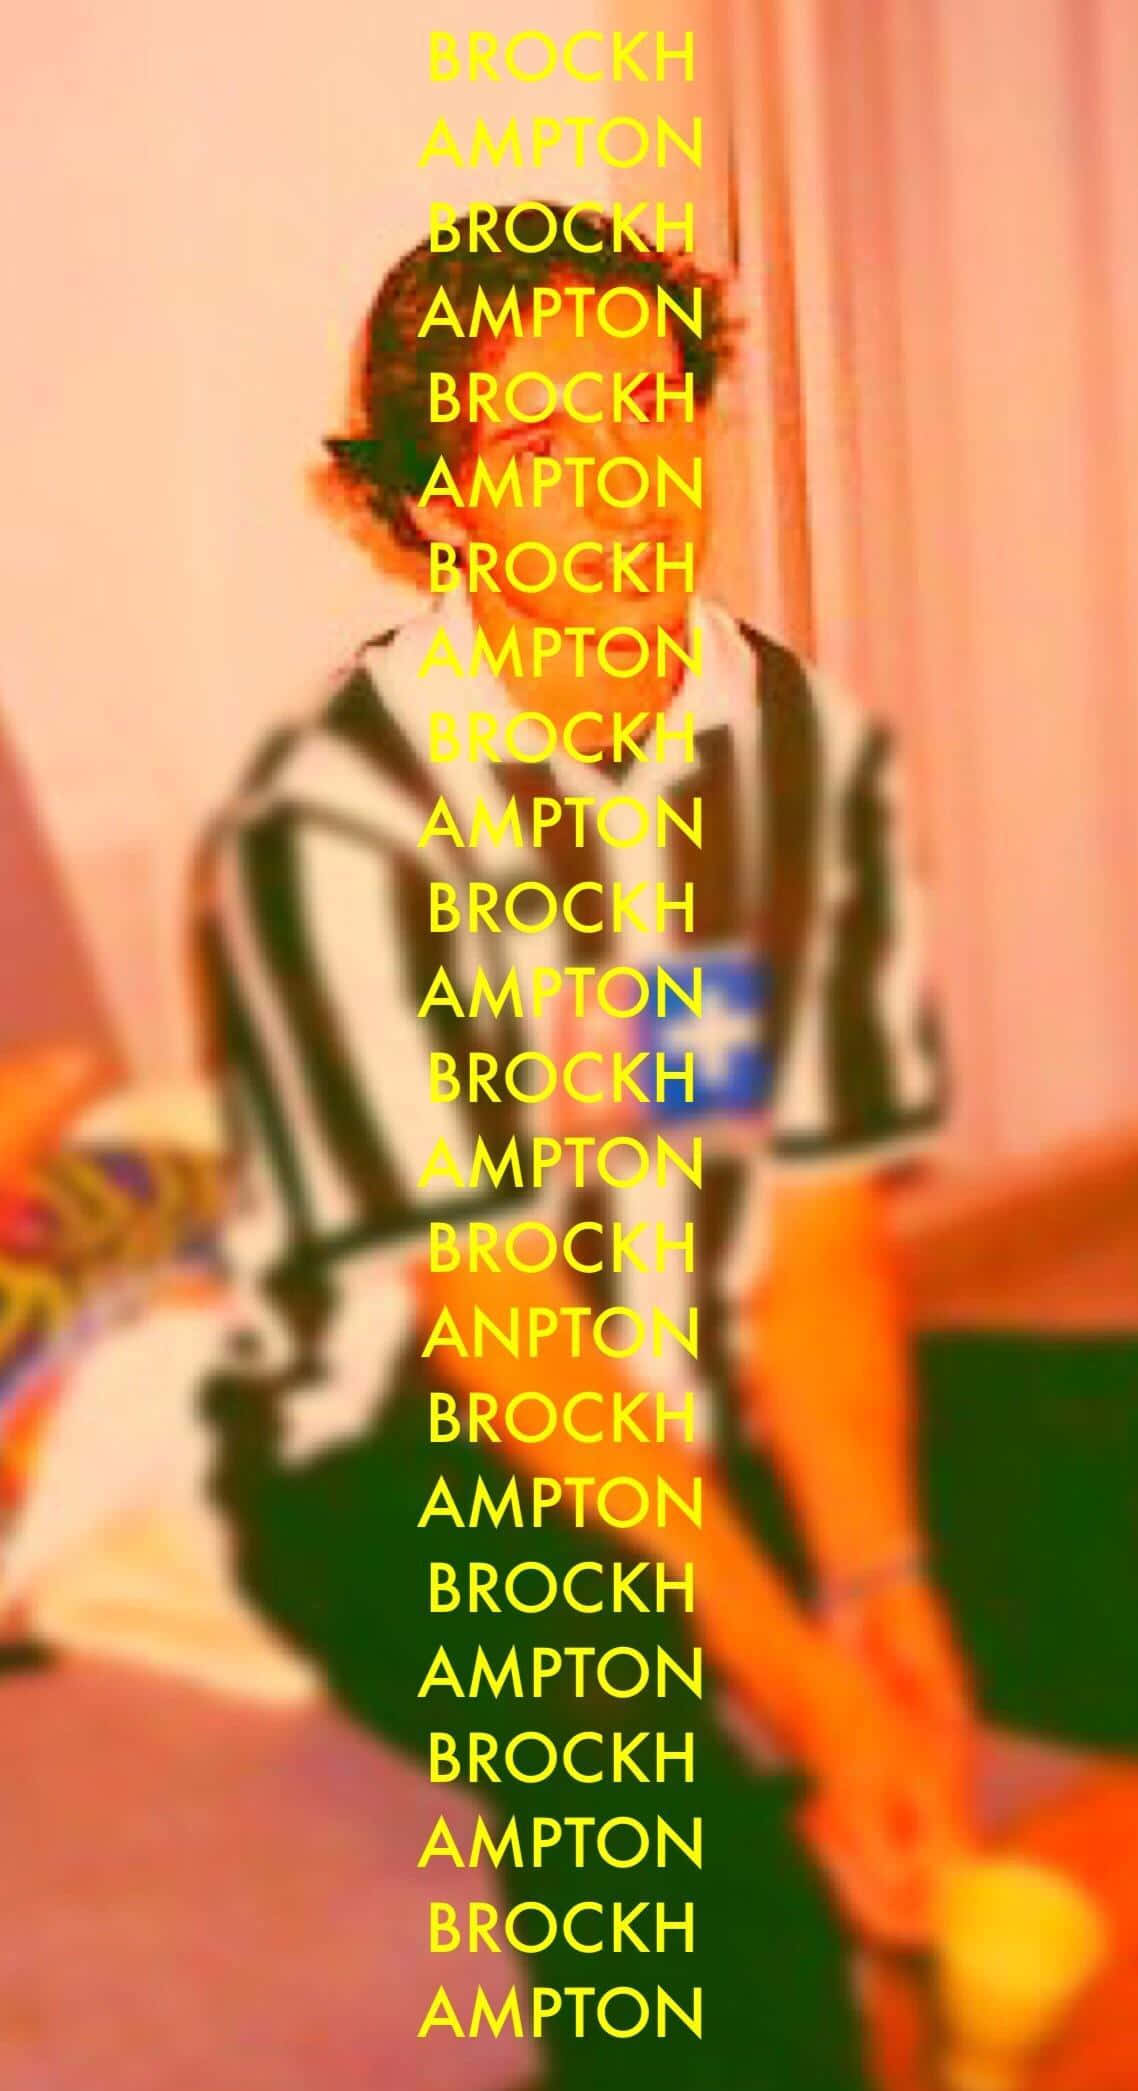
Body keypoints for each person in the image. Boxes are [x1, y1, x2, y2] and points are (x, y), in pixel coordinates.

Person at [195, 204, 972, 2089]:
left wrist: (878, 1579)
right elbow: (498, 1329)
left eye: (649, 410)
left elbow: (809, 1213)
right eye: (545, 441)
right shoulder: (339, 821)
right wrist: (813, 1691)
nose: (625, 482)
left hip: (687, 1359)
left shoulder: (772, 728)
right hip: (404, 1439)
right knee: (677, 1878)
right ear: (432, 503)